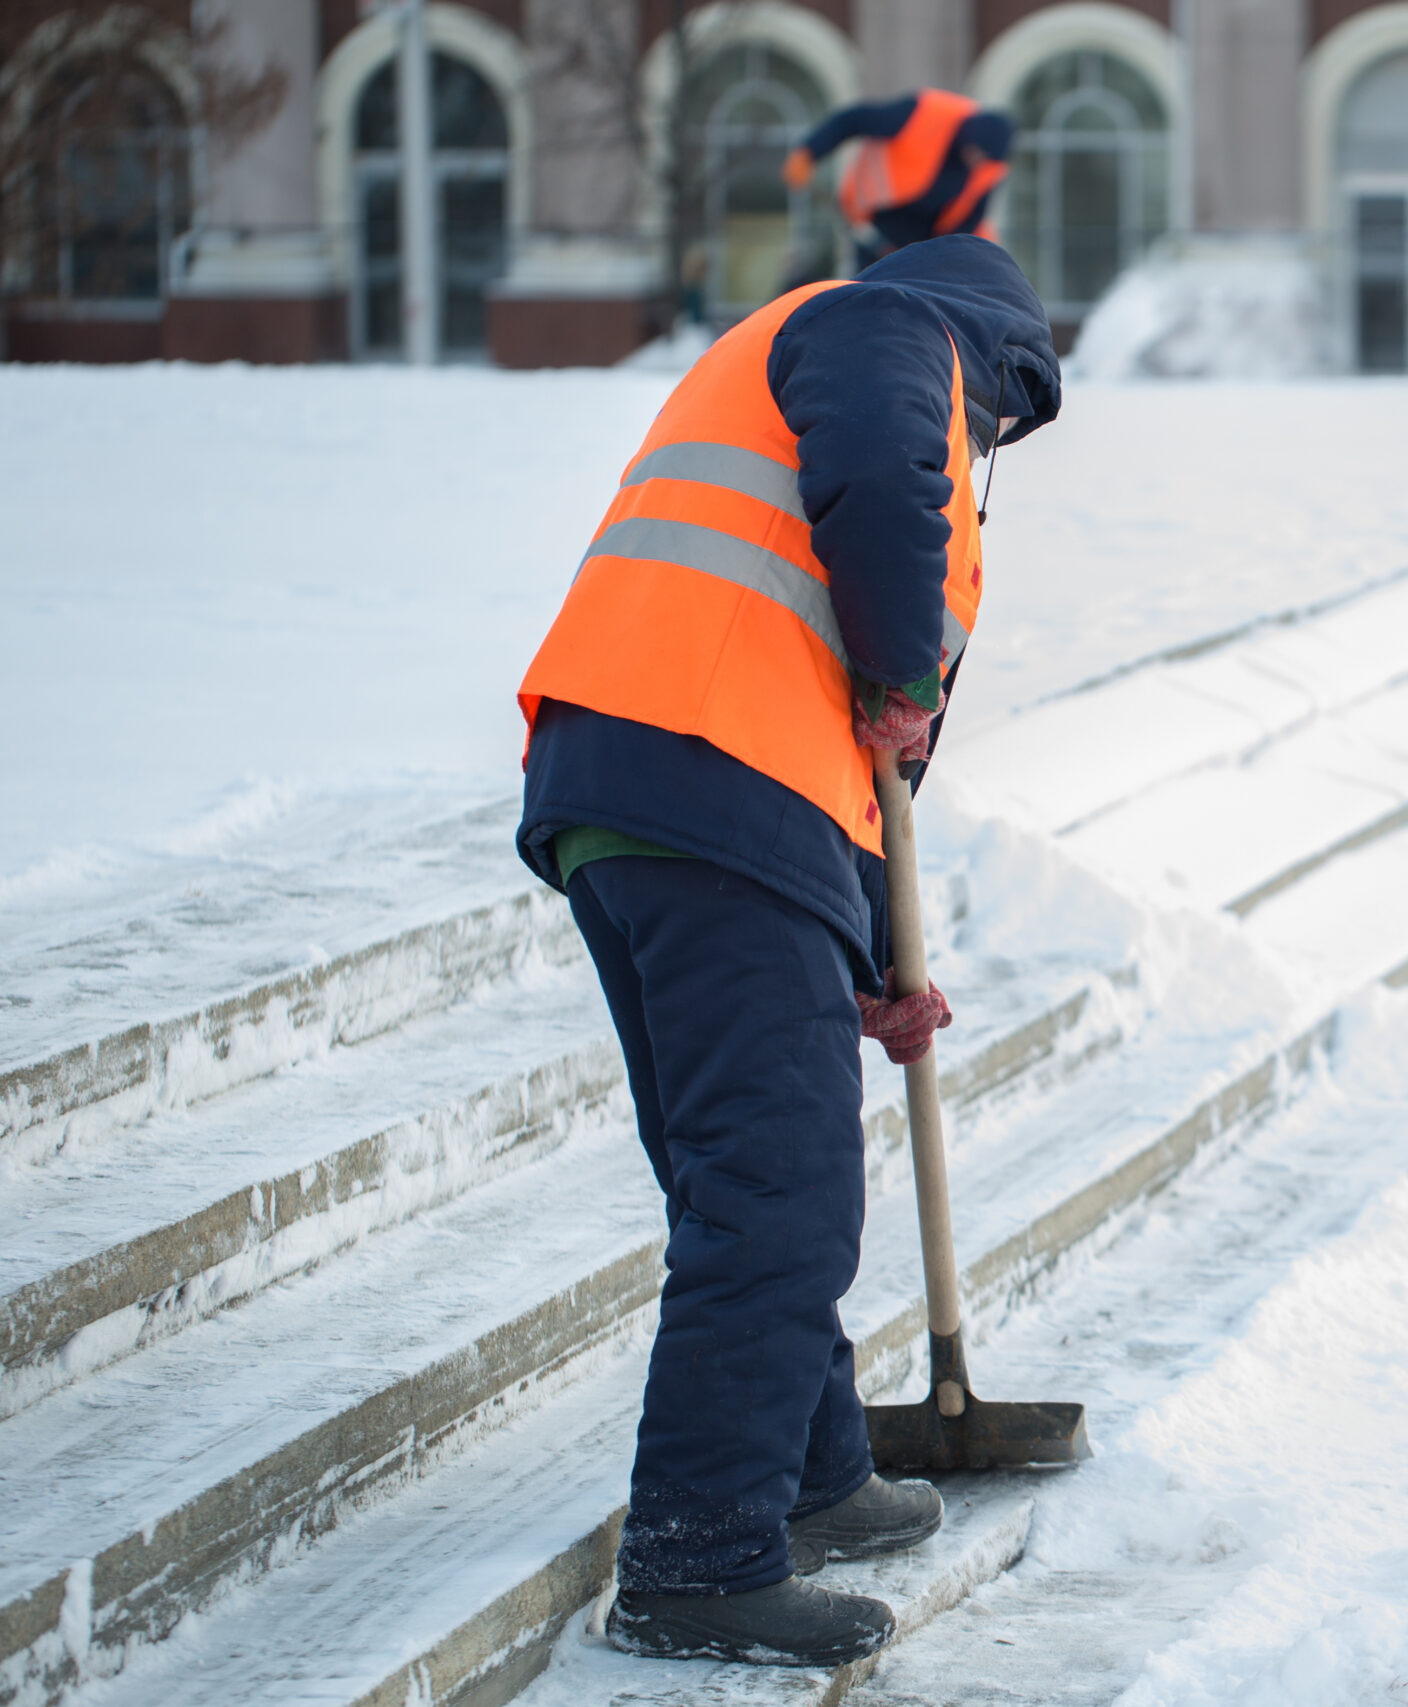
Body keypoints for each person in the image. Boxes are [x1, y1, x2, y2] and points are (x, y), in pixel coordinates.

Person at [512, 234, 1060, 1668]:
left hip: (642, 781)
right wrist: (898, 668)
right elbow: (883, 486)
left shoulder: (814, 354)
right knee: (782, 1183)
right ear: (994, 349)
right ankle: (698, 1556)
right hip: (709, 779)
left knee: (742, 1169)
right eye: (1005, 414)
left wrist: (882, 955)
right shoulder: (890, 330)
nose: (990, 443)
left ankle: (812, 1468)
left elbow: (851, 729)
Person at [783, 89, 1014, 270]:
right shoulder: (923, 113)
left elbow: (970, 219)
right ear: (968, 137)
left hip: (930, 240)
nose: (977, 161)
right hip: (877, 220)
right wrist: (809, 152)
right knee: (871, 292)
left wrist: (942, 256)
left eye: (984, 158)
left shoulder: (990, 167)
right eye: (976, 153)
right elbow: (853, 120)